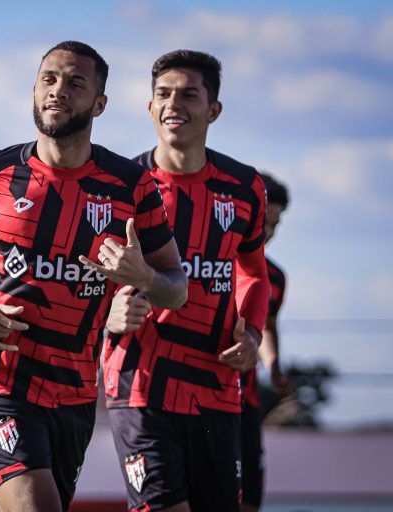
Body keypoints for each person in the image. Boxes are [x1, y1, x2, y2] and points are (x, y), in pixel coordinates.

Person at [0, 40, 188, 512]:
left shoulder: (131, 185)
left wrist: (141, 273)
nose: (58, 91)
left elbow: (176, 290)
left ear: (100, 103)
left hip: (74, 391)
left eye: (75, 83)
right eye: (49, 79)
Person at [103, 50, 270, 512]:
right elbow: (86, 279)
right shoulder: (121, 186)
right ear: (150, 107)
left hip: (216, 385)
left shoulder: (244, 186)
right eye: (163, 94)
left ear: (213, 110)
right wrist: (109, 314)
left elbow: (254, 272)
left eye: (188, 94)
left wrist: (253, 332)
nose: (173, 103)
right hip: (141, 385)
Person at [239, 172, 291, 512]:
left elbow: (267, 326)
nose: (268, 233)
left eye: (275, 224)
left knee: (249, 498)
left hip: (244, 400)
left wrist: (272, 365)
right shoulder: (205, 263)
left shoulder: (275, 277)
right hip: (195, 397)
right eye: (262, 222)